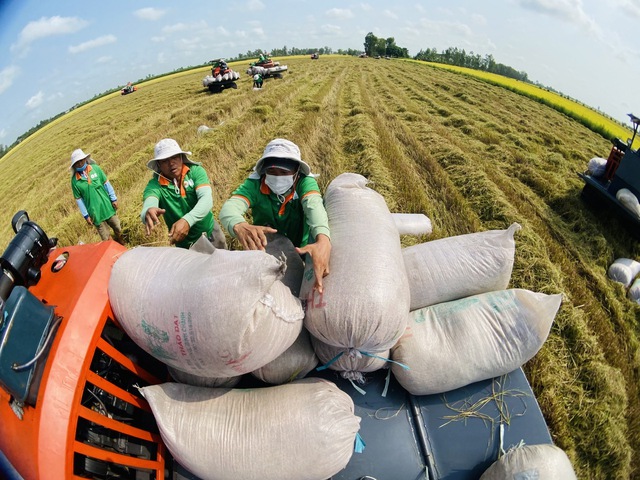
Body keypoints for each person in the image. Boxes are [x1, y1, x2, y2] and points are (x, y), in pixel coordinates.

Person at [219, 138, 331, 293]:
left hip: (301, 247)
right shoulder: (255, 184)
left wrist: (323, 239)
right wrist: (239, 225)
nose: (277, 177)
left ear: (296, 172)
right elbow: (229, 209)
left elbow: (314, 206)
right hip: (269, 246)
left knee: (302, 287)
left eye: (284, 172)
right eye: (272, 172)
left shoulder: (304, 183)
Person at [141, 138, 227, 249]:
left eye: (174, 157)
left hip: (210, 234)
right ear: (159, 164)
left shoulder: (196, 171)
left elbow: (206, 200)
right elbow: (149, 203)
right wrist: (148, 212)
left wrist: (187, 221)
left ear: (181, 157)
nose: (171, 163)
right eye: (164, 161)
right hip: (185, 246)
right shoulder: (155, 185)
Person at [70, 148, 124, 243]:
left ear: (85, 159)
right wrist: (86, 216)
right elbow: (79, 200)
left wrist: (113, 198)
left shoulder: (95, 169)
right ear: (74, 165)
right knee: (106, 238)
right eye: (77, 162)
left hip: (107, 206)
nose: (79, 163)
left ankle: (123, 243)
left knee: (118, 228)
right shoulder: (75, 181)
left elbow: (106, 183)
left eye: (81, 160)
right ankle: (115, 250)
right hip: (94, 212)